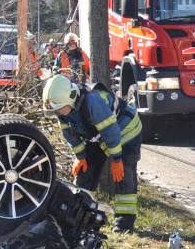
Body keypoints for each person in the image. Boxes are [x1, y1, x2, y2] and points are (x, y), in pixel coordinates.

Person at [42, 73, 142, 232]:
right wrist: (80, 157)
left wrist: (117, 159)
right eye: (56, 110)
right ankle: (81, 218)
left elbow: (112, 133)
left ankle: (124, 224)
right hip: (99, 137)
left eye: (60, 108)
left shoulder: (92, 102)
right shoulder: (62, 109)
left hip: (126, 132)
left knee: (124, 177)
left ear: (71, 97)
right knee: (85, 174)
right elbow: (70, 135)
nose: (59, 112)